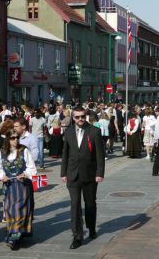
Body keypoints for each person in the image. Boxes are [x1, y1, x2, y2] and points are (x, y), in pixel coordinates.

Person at [61, 106, 105, 249]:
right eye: (77, 117)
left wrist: (99, 173)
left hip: (90, 175)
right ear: (73, 118)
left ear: (86, 116)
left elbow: (100, 155)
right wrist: (63, 173)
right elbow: (65, 154)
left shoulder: (95, 131)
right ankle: (77, 236)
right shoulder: (67, 132)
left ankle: (91, 228)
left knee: (90, 204)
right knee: (75, 205)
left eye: (82, 116)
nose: (80, 119)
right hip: (73, 175)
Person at [0, 129, 37, 250]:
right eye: (13, 138)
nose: (16, 140)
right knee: (9, 210)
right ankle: (14, 233)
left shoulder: (24, 150)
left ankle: (15, 237)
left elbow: (32, 167)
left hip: (22, 186)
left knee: (19, 209)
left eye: (17, 137)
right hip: (8, 187)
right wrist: (2, 176)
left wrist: (25, 174)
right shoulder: (2, 152)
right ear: (7, 139)